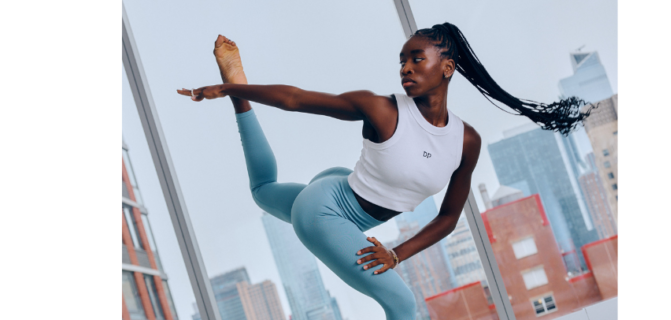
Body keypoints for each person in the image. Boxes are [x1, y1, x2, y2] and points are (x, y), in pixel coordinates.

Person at [177, 22, 592, 320]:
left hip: (337, 188)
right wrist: (226, 87)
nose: (405, 68)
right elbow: (295, 98)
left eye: (417, 58)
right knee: (402, 305)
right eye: (402, 61)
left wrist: (397, 254)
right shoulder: (382, 108)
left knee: (263, 190)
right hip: (325, 208)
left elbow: (448, 218)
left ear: (447, 68)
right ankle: (239, 91)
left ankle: (240, 99)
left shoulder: (467, 141)